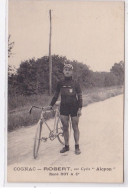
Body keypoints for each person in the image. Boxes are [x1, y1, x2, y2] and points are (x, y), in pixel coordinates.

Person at [50, 63, 82, 155]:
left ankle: (77, 146)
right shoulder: (60, 83)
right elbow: (56, 95)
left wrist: (80, 108)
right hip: (63, 107)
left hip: (74, 107)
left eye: (69, 70)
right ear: (63, 71)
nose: (67, 71)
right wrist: (50, 105)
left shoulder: (76, 83)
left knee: (75, 127)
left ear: (72, 72)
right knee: (65, 127)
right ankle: (66, 146)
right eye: (66, 70)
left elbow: (80, 96)